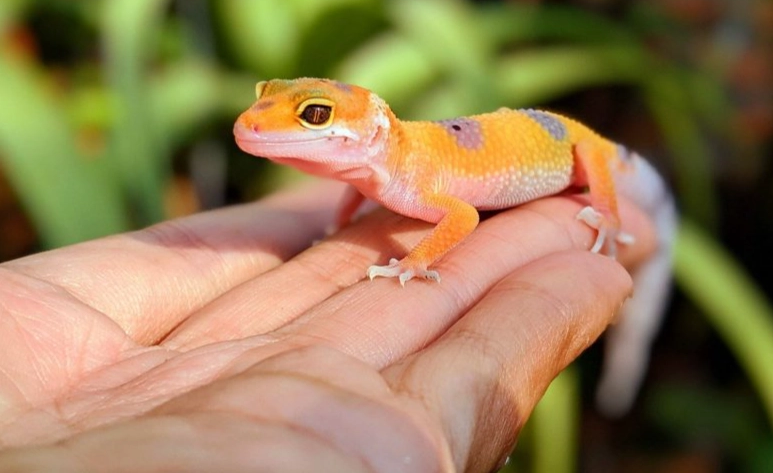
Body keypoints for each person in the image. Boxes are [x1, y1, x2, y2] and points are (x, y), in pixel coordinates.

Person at [0, 180, 654, 472]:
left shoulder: (408, 175)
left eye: (313, 117)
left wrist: (416, 262)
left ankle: (617, 212)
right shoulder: (373, 177)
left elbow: (461, 217)